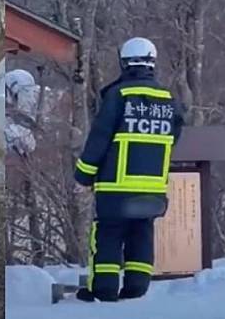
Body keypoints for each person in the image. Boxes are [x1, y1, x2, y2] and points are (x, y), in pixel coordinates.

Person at [74, 37, 184, 302]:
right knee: (141, 233)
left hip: (116, 186)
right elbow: (174, 138)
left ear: (123, 62)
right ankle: (137, 287)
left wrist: (83, 175)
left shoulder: (118, 96)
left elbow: (99, 139)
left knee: (109, 235)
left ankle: (104, 289)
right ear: (152, 63)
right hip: (153, 188)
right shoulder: (169, 100)